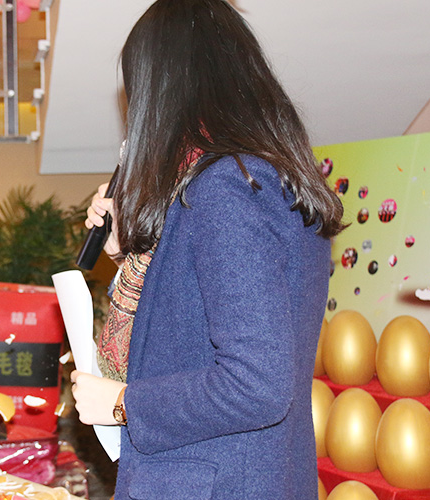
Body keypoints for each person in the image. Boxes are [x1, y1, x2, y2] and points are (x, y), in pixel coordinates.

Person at [70, 1, 345, 498]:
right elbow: (193, 318)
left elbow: (255, 383)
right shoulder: (249, 178)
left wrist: (125, 403)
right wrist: (124, 253)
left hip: (217, 481)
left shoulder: (227, 188)